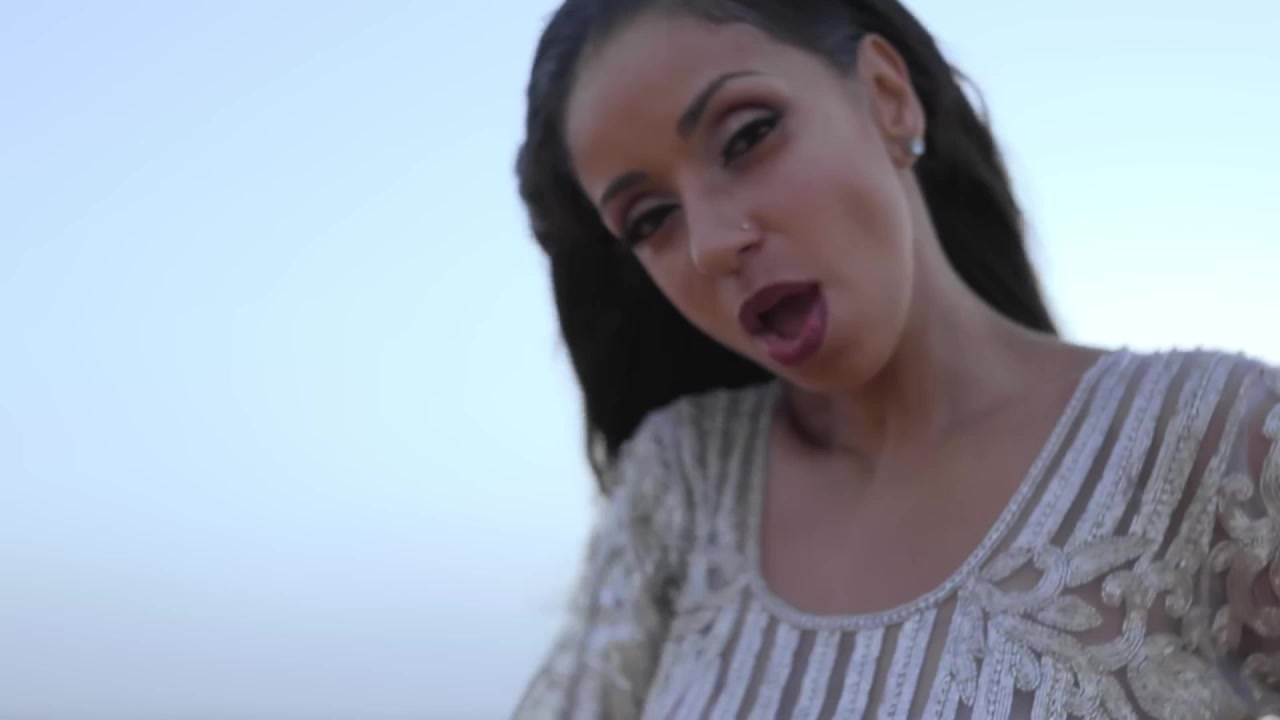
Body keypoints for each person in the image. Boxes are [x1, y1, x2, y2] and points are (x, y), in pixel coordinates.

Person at [511, 0, 1280, 717]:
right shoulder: (682, 483)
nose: (711, 244)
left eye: (747, 137)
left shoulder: (1220, 445)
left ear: (887, 97)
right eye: (651, 218)